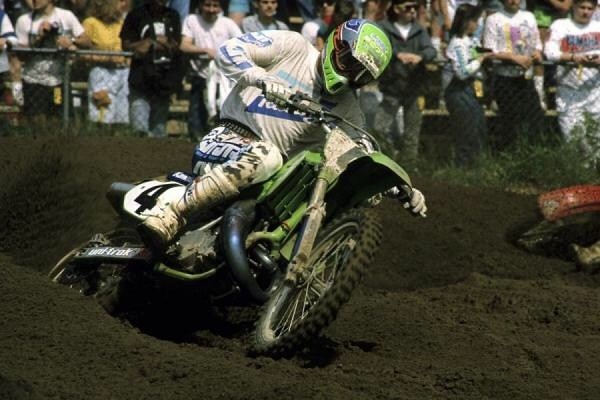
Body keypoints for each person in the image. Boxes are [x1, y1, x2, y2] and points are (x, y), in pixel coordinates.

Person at [139, 18, 428, 250]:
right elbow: (229, 50)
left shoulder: (348, 107)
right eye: (349, 64)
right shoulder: (294, 47)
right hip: (230, 137)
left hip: (279, 177)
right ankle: (173, 212)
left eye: (361, 75)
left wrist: (397, 187)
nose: (350, 76)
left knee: (333, 190)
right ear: (337, 44)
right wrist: (261, 78)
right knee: (268, 156)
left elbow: (361, 154)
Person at [374, 0, 436, 170]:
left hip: (414, 87)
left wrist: (420, 56)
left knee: (412, 132)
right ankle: (387, 161)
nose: (413, 11)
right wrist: (397, 55)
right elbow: (377, 47)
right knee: (379, 128)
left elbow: (431, 50)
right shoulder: (384, 27)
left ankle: (409, 167)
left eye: (415, 7)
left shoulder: (419, 29)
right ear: (396, 8)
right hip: (392, 87)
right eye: (408, 7)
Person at [482, 0, 547, 149]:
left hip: (526, 77)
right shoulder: (494, 19)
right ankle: (510, 155)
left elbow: (537, 43)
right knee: (511, 124)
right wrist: (513, 58)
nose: (513, 1)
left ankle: (533, 154)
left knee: (535, 121)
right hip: (505, 78)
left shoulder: (529, 16)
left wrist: (537, 52)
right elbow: (489, 50)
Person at [543, 0, 600, 168]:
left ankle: (594, 174)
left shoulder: (598, 27)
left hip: (595, 90)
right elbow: (549, 51)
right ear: (574, 7)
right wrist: (573, 57)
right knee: (573, 139)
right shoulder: (561, 25)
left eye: (590, 8)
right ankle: (577, 174)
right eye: (582, 7)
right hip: (569, 90)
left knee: (596, 138)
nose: (585, 12)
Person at [15, 0, 90, 124]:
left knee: (58, 118)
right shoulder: (24, 21)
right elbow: (21, 55)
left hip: (58, 83)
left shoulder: (66, 16)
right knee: (36, 122)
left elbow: (87, 41)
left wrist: (70, 41)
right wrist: (38, 38)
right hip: (34, 82)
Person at [120, 0, 184, 138]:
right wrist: (146, 43)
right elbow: (126, 43)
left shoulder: (173, 15)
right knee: (139, 131)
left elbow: (176, 44)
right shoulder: (136, 15)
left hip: (164, 80)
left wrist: (159, 44)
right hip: (140, 78)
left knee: (159, 130)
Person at [180, 0, 241, 140]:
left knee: (223, 113)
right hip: (200, 75)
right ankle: (195, 139)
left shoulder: (227, 23)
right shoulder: (192, 20)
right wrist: (206, 50)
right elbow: (184, 45)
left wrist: (222, 55)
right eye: (207, 5)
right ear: (200, 6)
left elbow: (241, 44)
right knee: (197, 113)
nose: (211, 9)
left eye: (215, 6)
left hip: (224, 78)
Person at [444, 4, 492, 166]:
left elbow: (477, 52)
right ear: (466, 21)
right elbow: (462, 72)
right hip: (461, 90)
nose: (477, 24)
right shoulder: (457, 43)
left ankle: (476, 164)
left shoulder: (471, 41)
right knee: (466, 131)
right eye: (475, 21)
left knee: (478, 128)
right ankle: (462, 166)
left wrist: (486, 53)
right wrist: (480, 60)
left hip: (473, 90)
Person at [82, 0, 130, 126]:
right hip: (101, 72)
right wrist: (107, 58)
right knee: (103, 115)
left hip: (122, 72)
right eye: (120, 1)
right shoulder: (91, 23)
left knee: (122, 118)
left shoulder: (122, 23)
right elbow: (81, 54)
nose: (124, 4)